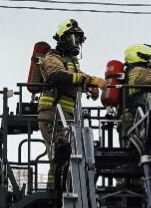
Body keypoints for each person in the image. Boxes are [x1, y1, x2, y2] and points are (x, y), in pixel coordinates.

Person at [37, 19, 107, 186]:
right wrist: (89, 80)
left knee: (67, 153)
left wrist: (90, 85)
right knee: (59, 153)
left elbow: (78, 77)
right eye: (72, 38)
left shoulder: (72, 63)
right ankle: (54, 191)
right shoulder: (52, 58)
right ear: (62, 39)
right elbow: (57, 76)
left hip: (67, 115)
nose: (76, 43)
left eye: (78, 39)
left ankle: (63, 187)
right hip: (52, 112)